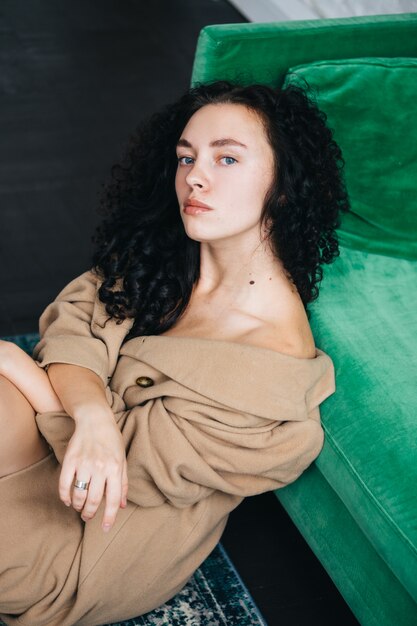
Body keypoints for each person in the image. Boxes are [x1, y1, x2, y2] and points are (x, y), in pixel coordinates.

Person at [0, 80, 348, 626]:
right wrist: (91, 414)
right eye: (186, 157)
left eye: (227, 157)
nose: (195, 176)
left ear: (284, 184)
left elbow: (121, 470)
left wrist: (18, 364)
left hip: (89, 545)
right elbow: (73, 327)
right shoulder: (169, 260)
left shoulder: (268, 369)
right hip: (56, 456)